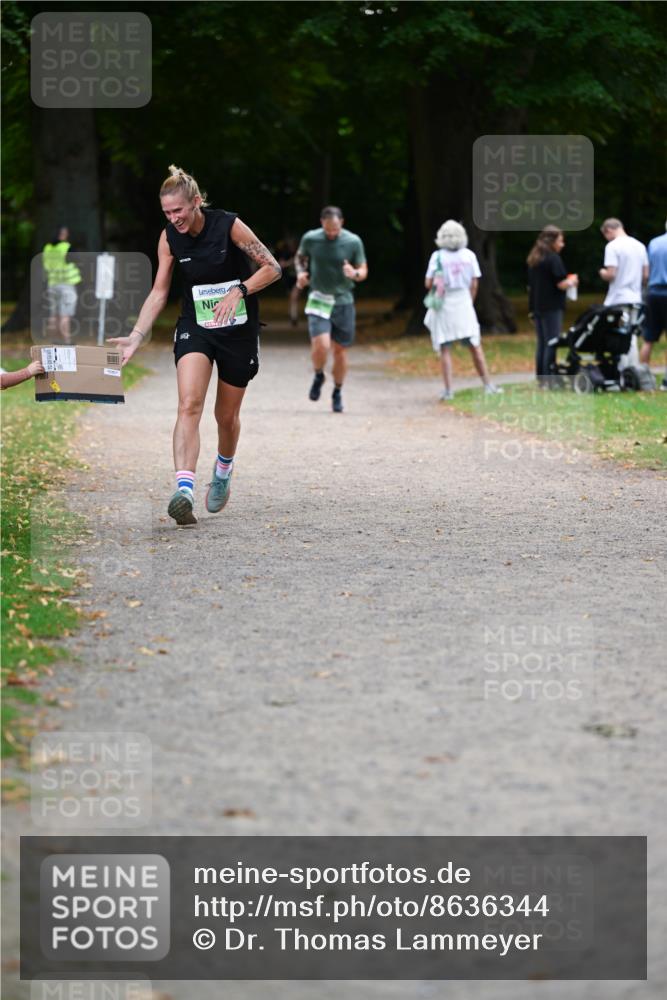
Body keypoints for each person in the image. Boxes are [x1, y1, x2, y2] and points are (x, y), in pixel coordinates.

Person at [108, 165, 281, 526]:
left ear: (196, 203)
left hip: (237, 328)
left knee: (226, 417)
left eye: (179, 211)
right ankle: (183, 490)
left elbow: (272, 267)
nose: (174, 219)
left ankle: (222, 471)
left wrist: (240, 290)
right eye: (167, 213)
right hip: (196, 326)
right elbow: (159, 291)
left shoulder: (228, 225)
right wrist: (137, 336)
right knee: (189, 404)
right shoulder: (169, 238)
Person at [296, 206, 367, 413]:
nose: (331, 234)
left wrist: (354, 273)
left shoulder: (353, 241)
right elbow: (300, 258)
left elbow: (363, 270)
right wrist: (301, 273)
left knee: (340, 351)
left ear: (341, 223)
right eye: (328, 230)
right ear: (322, 223)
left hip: (343, 300)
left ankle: (337, 391)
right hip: (318, 298)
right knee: (321, 345)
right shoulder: (311, 238)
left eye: (335, 230)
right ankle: (319, 374)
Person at [423, 220, 503, 401]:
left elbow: (428, 283)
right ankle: (488, 384)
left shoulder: (437, 257)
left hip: (443, 304)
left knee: (444, 347)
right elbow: (474, 283)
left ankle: (449, 390)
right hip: (464, 303)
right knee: (475, 345)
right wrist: (469, 301)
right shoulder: (469, 256)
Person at [526, 226, 578, 388]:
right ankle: (550, 379)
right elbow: (561, 283)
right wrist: (572, 281)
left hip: (538, 306)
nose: (562, 244)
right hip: (552, 307)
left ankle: (542, 378)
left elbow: (530, 287)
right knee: (552, 342)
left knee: (542, 343)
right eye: (560, 241)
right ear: (552, 241)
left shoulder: (535, 258)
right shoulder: (553, 259)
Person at [42, 226, 82, 344]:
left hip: (52, 283)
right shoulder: (66, 246)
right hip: (66, 284)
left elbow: (45, 265)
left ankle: (52, 339)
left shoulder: (47, 248)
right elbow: (76, 260)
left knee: (53, 314)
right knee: (65, 313)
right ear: (63, 235)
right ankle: (66, 340)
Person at [640, 221, 667, 388]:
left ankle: (643, 378)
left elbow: (647, 270)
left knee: (648, 338)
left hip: (653, 293)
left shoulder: (654, 243)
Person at [599, 218, 648, 306]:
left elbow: (611, 274)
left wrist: (602, 272)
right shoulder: (640, 246)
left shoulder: (612, 246)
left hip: (618, 298)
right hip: (636, 298)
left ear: (608, 230)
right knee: (633, 320)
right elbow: (645, 276)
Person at [275, 237, 300, 326]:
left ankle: (294, 317)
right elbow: (280, 265)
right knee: (291, 297)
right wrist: (290, 262)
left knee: (294, 296)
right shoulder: (286, 254)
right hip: (289, 279)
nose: (292, 246)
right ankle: (292, 313)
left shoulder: (300, 253)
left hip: (298, 279)